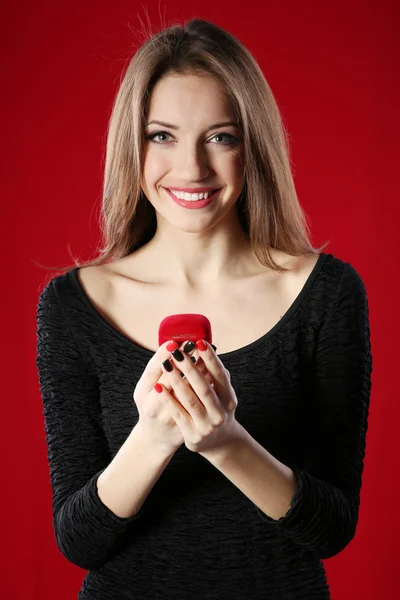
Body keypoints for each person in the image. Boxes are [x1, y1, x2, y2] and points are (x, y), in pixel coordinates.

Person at [35, 17, 373, 600]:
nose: (192, 168)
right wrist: (153, 438)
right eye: (162, 135)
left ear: (254, 144)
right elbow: (79, 541)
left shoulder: (328, 293)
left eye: (221, 136)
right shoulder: (73, 305)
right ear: (131, 145)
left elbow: (332, 527)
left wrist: (225, 441)